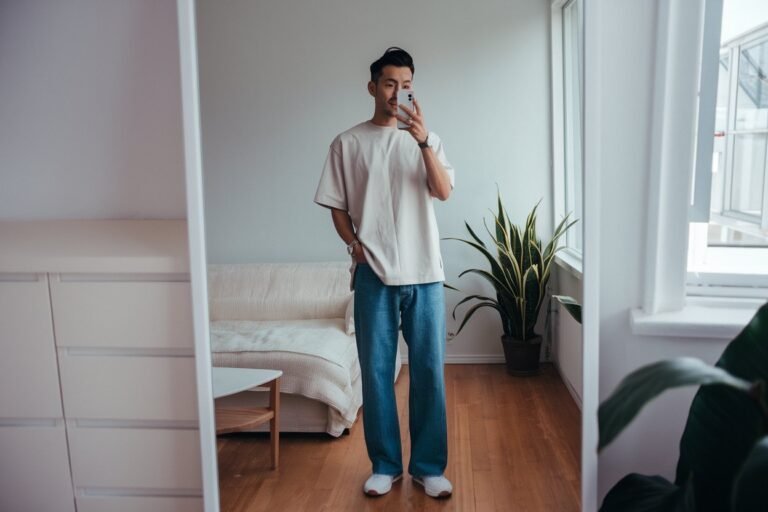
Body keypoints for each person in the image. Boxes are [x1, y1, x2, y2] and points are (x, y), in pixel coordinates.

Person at [313, 47, 455, 499]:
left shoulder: (426, 141)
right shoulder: (347, 143)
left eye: (405, 84)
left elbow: (443, 191)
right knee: (376, 374)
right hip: (374, 275)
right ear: (373, 86)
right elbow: (335, 204)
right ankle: (385, 466)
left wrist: (423, 141)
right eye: (390, 83)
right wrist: (353, 246)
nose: (397, 93)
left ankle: (429, 468)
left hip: (425, 273)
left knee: (429, 372)